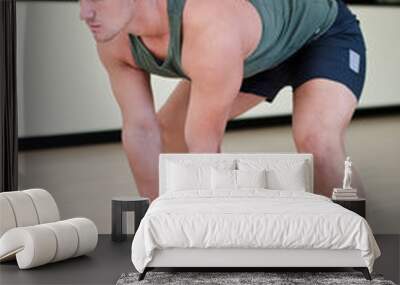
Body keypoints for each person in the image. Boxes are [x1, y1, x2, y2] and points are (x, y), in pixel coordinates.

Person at [79, 0, 367, 201]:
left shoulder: (207, 24)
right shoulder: (113, 37)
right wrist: (155, 216)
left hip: (322, 35)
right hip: (253, 54)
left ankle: (357, 249)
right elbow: (141, 129)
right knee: (172, 130)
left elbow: (205, 149)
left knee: (317, 140)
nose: (84, 12)